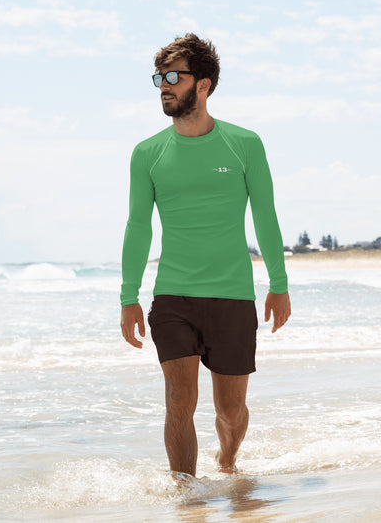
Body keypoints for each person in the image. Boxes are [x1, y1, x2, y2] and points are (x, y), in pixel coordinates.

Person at [120, 33, 291, 477]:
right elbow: (139, 227)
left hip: (232, 295)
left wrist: (279, 285)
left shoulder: (244, 144)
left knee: (230, 411)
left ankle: (229, 459)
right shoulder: (147, 154)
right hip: (173, 295)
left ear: (204, 84)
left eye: (174, 76)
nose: (164, 85)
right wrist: (128, 296)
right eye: (159, 77)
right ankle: (186, 498)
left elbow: (266, 218)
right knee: (179, 399)